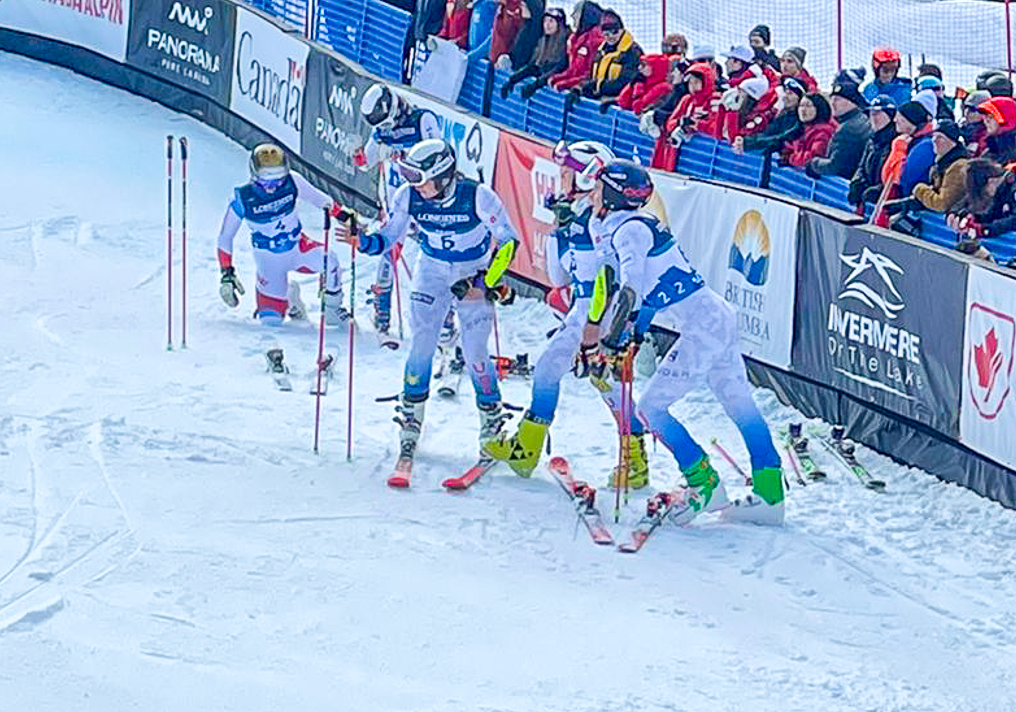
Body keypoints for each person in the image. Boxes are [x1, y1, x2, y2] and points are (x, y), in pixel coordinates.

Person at [579, 161, 785, 526]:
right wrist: (632, 334)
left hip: (704, 327)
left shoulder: (628, 231)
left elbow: (630, 289)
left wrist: (611, 344)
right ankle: (770, 494)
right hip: (714, 317)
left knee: (650, 408)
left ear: (611, 194)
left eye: (597, 187)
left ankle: (703, 484)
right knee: (740, 405)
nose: (591, 194)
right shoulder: (630, 225)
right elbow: (646, 295)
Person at [335, 139, 520, 475]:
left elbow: (509, 242)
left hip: (472, 270)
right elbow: (388, 237)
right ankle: (410, 420)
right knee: (421, 346)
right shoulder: (407, 195)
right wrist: (360, 241)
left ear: (444, 176)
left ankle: (491, 421)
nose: (415, 186)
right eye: (411, 177)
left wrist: (485, 283)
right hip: (432, 270)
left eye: (421, 179)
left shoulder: (478, 196)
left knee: (476, 352)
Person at [486, 141, 650, 487]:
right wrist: (559, 230)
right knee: (597, 382)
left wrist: (608, 329)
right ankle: (631, 458)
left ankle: (530, 450)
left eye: (567, 172)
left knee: (585, 377)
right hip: (585, 307)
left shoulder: (602, 217)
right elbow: (559, 278)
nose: (561, 179)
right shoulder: (577, 214)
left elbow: (607, 276)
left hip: (598, 310)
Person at [217, 143, 348, 327]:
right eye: (265, 182)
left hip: (297, 248)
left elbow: (320, 199)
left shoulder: (293, 181)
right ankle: (289, 296)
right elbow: (225, 237)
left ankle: (333, 310)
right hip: (269, 261)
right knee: (271, 322)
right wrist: (227, 273)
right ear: (254, 176)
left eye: (278, 181)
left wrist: (345, 217)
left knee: (331, 261)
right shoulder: (242, 198)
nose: (272, 187)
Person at [357, 84, 442, 341]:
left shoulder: (422, 119)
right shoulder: (382, 132)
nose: (384, 129)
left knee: (437, 254)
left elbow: (437, 154)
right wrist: (360, 155)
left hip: (424, 196)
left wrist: (401, 155)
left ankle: (443, 318)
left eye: (384, 123)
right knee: (389, 249)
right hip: (398, 200)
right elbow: (365, 163)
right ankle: (382, 311)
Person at [952, 158, 1016, 240]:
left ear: (990, 181)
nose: (986, 195)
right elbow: (994, 214)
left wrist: (986, 230)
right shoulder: (1002, 191)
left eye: (984, 191)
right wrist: (975, 218)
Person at [651, 61, 717, 172]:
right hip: (678, 156)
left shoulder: (714, 100)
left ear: (706, 82)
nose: (692, 86)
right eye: (690, 82)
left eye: (696, 82)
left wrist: (696, 125)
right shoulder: (687, 100)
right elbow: (670, 123)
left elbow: (715, 126)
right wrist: (681, 122)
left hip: (702, 157)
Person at [806, 70, 870, 179]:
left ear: (851, 102)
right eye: (832, 99)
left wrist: (813, 164)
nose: (833, 103)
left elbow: (835, 166)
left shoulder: (848, 129)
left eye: (838, 100)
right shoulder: (861, 119)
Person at [501, 8, 571, 100]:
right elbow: (533, 67)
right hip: (543, 84)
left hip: (555, 91)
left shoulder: (565, 44)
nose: (547, 25)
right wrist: (512, 80)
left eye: (551, 21)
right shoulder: (543, 41)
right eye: (545, 21)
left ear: (559, 25)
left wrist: (535, 85)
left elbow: (558, 69)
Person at [906, 120, 974, 214]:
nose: (934, 140)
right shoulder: (942, 162)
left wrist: (919, 189)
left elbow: (942, 204)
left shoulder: (958, 166)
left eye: (940, 137)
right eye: (934, 136)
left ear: (952, 141)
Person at [849, 96, 899, 211]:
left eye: (878, 114)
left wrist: (880, 189)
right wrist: (857, 182)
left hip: (884, 204)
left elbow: (896, 176)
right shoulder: (872, 141)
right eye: (871, 114)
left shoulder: (896, 142)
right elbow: (861, 166)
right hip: (869, 202)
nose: (873, 118)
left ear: (890, 116)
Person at [781, 92, 835, 170]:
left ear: (818, 108)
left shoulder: (823, 133)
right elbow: (790, 146)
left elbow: (813, 157)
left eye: (808, 106)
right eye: (801, 106)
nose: (803, 110)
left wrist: (791, 158)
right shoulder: (800, 128)